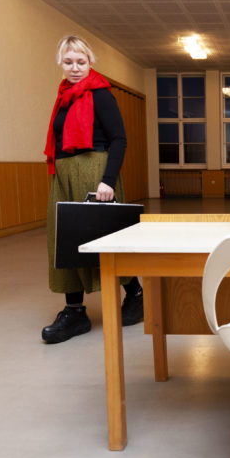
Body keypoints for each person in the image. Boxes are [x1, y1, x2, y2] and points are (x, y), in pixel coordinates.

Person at [41, 35, 143, 344]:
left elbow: (119, 139)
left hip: (94, 170)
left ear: (90, 63)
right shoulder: (63, 96)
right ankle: (74, 312)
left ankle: (136, 294)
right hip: (64, 173)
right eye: (69, 62)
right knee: (63, 239)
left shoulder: (100, 94)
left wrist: (107, 181)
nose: (75, 68)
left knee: (104, 239)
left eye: (81, 62)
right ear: (61, 63)